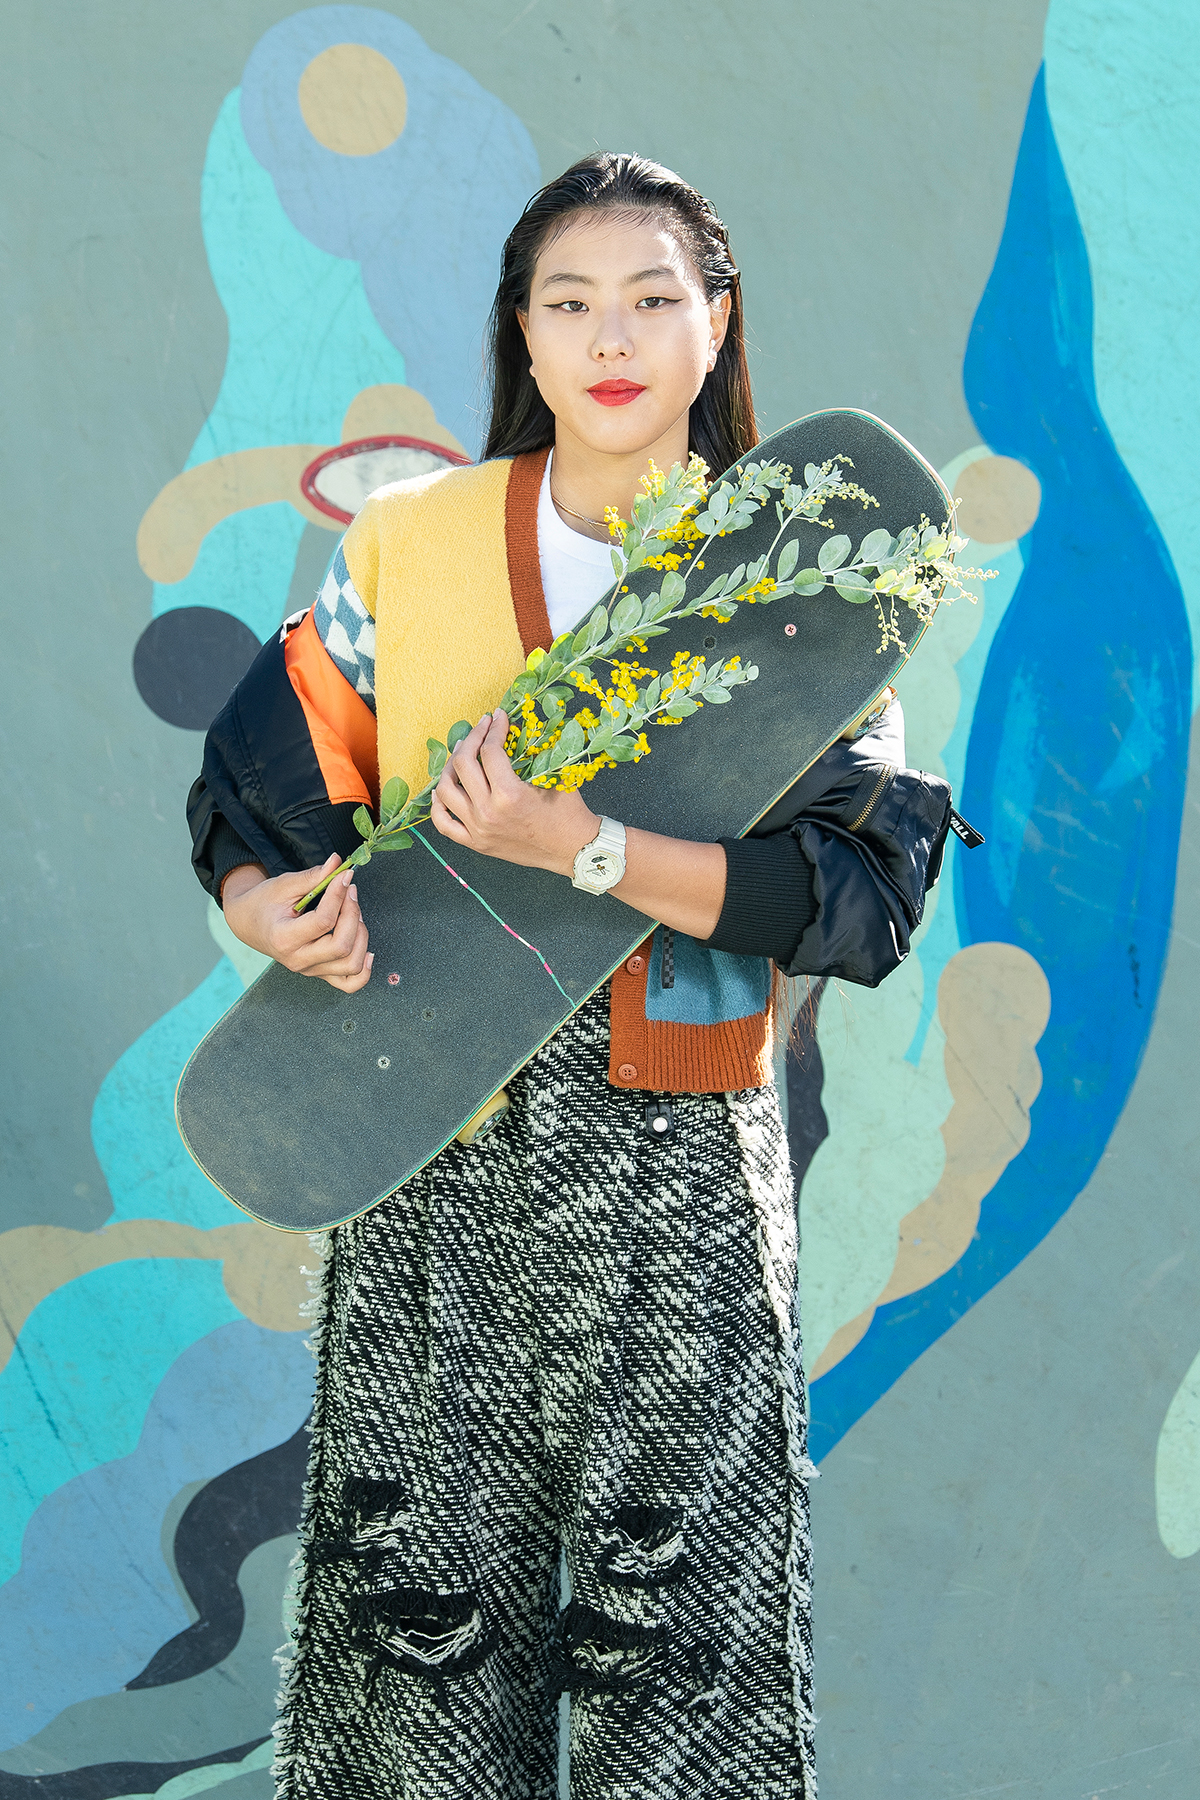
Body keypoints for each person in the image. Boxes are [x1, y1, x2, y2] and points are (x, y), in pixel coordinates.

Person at [188, 153, 950, 1800]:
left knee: (684, 1649)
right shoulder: (411, 547)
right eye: (570, 303)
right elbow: (259, 792)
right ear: (521, 338)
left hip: (679, 1172)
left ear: (716, 324)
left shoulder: (801, 578)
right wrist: (271, 910)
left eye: (654, 300)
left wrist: (585, 848)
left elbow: (854, 896)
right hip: (421, 1129)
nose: (612, 339)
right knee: (410, 1646)